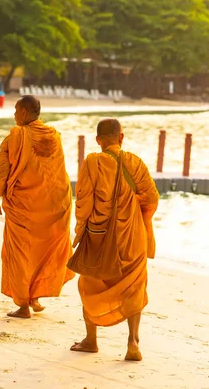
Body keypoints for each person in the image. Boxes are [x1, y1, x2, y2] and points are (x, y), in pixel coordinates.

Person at [70, 119, 159, 361]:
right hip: (133, 236)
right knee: (135, 286)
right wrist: (138, 217)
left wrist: (79, 232)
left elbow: (83, 203)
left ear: (98, 140)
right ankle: (133, 341)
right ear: (121, 137)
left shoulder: (92, 162)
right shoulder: (135, 162)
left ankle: (91, 340)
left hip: (99, 235)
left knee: (89, 284)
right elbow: (151, 198)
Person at [0, 95, 74, 318]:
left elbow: (2, 171)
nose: (15, 115)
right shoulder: (54, 136)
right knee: (43, 251)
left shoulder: (16, 136)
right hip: (55, 204)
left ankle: (24, 305)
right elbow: (58, 171)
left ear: (24, 113)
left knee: (20, 253)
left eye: (16, 111)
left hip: (24, 207)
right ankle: (34, 296)